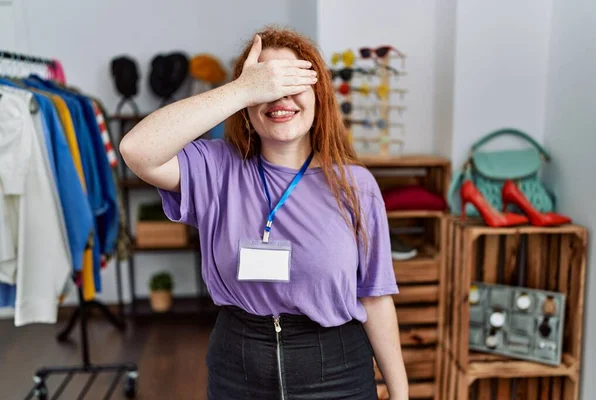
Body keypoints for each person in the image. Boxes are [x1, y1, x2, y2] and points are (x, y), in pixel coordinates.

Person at [120, 26, 408, 400]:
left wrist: (400, 394)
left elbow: (375, 296)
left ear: (318, 94)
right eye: (267, 84)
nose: (279, 96)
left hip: (336, 369)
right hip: (238, 364)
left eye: (292, 81)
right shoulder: (215, 168)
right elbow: (137, 149)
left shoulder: (355, 185)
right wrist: (241, 88)